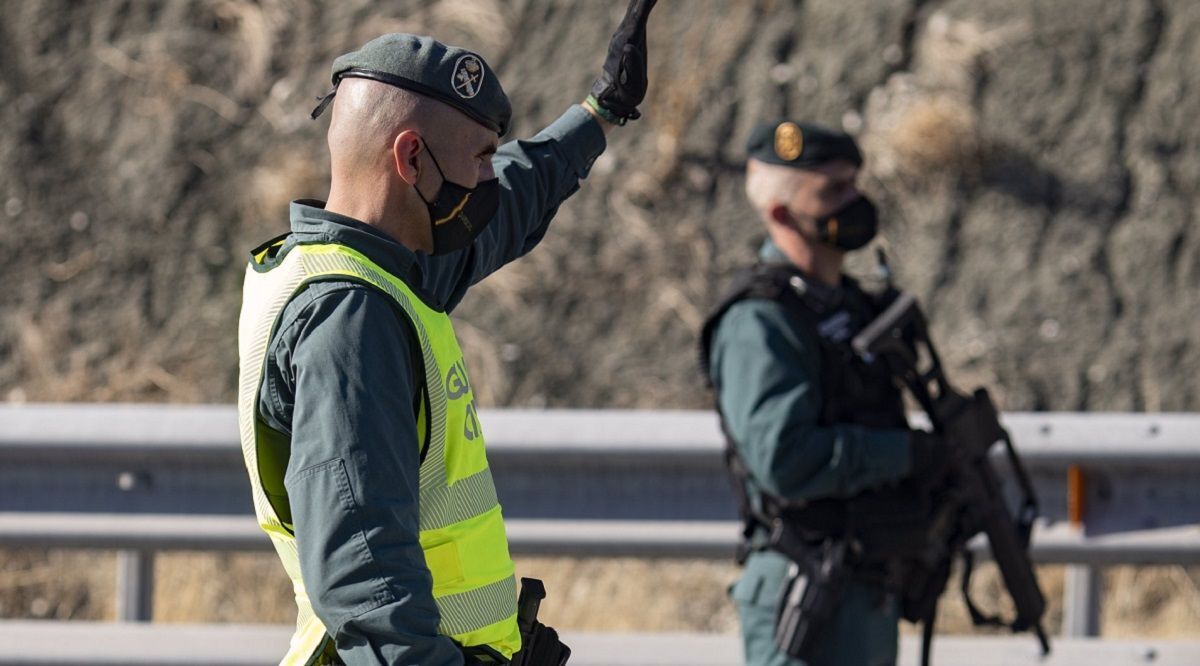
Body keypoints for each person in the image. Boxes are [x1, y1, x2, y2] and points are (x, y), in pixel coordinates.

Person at [235, 3, 656, 663]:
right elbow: (367, 582)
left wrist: (600, 112)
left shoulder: (374, 271)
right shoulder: (351, 318)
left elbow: (515, 195)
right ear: (411, 158)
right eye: (481, 157)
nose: (488, 177)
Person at [699, 121, 948, 666]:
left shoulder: (853, 308)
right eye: (833, 191)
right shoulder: (760, 321)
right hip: (806, 591)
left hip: (865, 587)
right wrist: (904, 454)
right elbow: (785, 459)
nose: (854, 201)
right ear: (783, 213)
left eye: (854, 184)